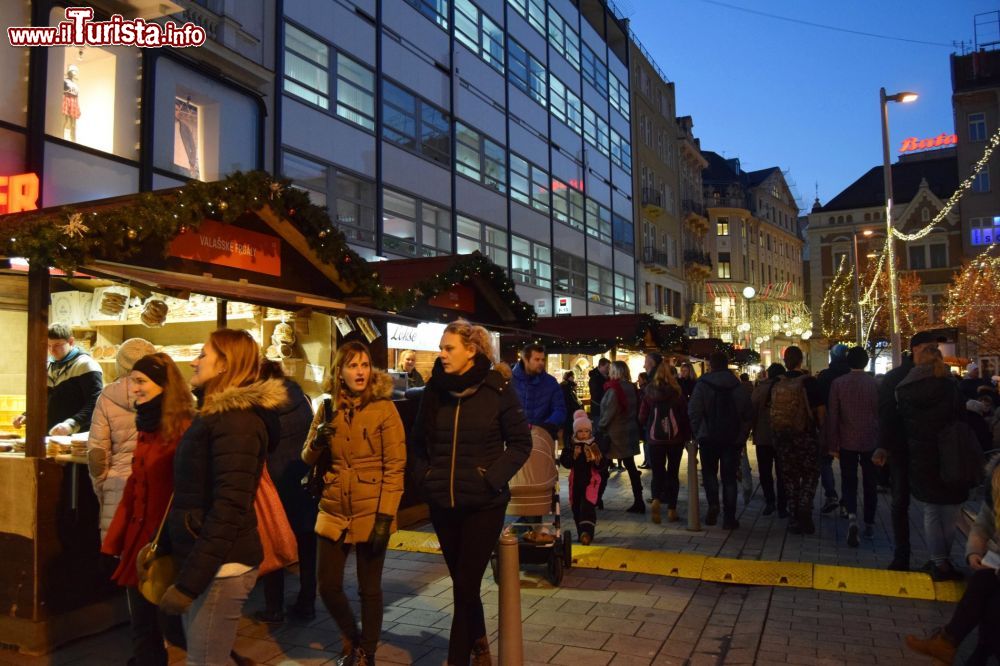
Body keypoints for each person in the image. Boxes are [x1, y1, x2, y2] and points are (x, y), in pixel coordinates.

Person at [157, 329, 288, 665]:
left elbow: (229, 508)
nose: (193, 361)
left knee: (205, 662)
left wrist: (190, 584)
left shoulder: (237, 422)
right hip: (209, 560)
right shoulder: (219, 416)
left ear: (224, 365)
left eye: (202, 354)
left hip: (221, 566)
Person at [410, 319, 531, 665]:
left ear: (471, 350)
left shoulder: (497, 389)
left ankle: (456, 659)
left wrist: (490, 478)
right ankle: (478, 641)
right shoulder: (435, 390)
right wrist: (426, 478)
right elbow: (418, 442)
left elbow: (521, 443)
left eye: (449, 348)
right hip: (442, 504)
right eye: (441, 348)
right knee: (465, 586)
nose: (442, 354)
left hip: (483, 505)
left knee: (464, 586)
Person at [302, 341, 406, 665]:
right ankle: (352, 635)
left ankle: (366, 652)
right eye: (352, 365)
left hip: (372, 509)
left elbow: (395, 468)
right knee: (327, 585)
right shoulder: (327, 406)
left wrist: (385, 518)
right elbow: (306, 456)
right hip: (333, 508)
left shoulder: (384, 408)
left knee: (369, 589)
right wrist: (318, 440)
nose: (360, 371)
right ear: (340, 371)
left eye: (364, 365)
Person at [101, 353, 193, 666]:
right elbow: (135, 485)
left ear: (165, 386)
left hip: (166, 545)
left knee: (175, 627)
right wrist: (117, 536)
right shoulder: (147, 423)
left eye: (141, 381)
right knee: (142, 625)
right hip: (141, 544)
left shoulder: (184, 429)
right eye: (132, 381)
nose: (134, 388)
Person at [905, 453, 1000, 664]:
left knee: (993, 602)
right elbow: (984, 522)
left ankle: (972, 650)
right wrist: (974, 552)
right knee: (982, 581)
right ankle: (949, 643)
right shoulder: (996, 477)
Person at [254, 360, 318, 625]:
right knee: (307, 545)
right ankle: (307, 603)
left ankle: (274, 607)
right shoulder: (300, 397)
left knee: (274, 543)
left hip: (275, 483)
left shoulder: (260, 406)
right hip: (302, 479)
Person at [897, 346, 968, 581]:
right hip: (951, 450)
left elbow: (902, 420)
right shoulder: (949, 386)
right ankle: (945, 560)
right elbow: (960, 416)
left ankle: (938, 560)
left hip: (920, 451)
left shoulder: (906, 387)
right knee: (951, 507)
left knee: (931, 508)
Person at [875, 330, 940, 572]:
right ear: (914, 350)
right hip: (905, 448)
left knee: (933, 505)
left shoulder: (942, 376)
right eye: (928, 348)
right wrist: (883, 446)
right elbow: (887, 414)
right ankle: (904, 554)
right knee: (901, 501)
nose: (934, 353)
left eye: (936, 348)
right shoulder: (898, 378)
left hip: (933, 449)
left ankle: (937, 557)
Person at [87, 337, 156, 540]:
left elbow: (97, 455)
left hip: (118, 486)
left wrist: (103, 488)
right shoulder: (169, 395)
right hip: (155, 486)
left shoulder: (107, 397)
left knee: (118, 556)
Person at [689, 352, 752, 529]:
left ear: (711, 365)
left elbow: (694, 411)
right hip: (732, 439)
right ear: (726, 364)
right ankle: (729, 518)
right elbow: (747, 413)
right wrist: (742, 435)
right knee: (729, 478)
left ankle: (713, 505)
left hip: (708, 438)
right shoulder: (737, 385)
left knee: (709, 474)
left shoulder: (702, 384)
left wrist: (699, 432)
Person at [827, 347, 879, 547]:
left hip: (847, 440)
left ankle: (851, 517)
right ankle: (870, 523)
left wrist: (833, 444)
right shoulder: (874, 384)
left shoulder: (839, 384)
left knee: (849, 480)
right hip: (870, 440)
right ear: (866, 362)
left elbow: (834, 416)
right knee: (870, 482)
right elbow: (878, 414)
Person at [770, 345, 824, 535]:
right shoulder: (809, 382)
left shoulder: (776, 382)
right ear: (801, 360)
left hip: (783, 437)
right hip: (806, 435)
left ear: (785, 361)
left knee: (790, 477)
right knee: (810, 474)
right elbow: (820, 411)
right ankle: (804, 509)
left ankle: (794, 517)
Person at [14, 323, 103, 435]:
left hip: (77, 435)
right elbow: (43, 400)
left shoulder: (86, 365)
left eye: (57, 345)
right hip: (50, 435)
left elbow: (96, 402)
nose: (52, 350)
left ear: (71, 342)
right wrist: (27, 415)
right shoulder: (47, 366)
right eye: (48, 345)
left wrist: (72, 424)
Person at [639, 361, 691, 524]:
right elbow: (684, 417)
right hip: (675, 440)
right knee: (673, 474)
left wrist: (647, 429)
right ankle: (671, 510)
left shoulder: (649, 393)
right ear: (673, 375)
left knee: (657, 473)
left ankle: (655, 499)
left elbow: (642, 417)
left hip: (655, 440)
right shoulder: (677, 394)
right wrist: (687, 436)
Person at [598, 360, 645, 513]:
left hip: (615, 434)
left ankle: (596, 499)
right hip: (630, 431)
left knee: (603, 467)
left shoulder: (614, 389)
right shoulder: (632, 387)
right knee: (631, 466)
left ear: (616, 372)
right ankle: (639, 500)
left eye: (612, 370)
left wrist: (601, 426)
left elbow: (609, 412)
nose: (609, 372)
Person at [816, 343, 850, 516]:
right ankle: (846, 501)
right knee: (847, 465)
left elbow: (819, 403)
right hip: (850, 426)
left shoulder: (825, 376)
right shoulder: (852, 376)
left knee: (825, 461)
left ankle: (831, 495)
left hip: (829, 424)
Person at [559, 410, 602, 544]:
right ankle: (581, 533)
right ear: (575, 432)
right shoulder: (571, 446)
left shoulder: (593, 445)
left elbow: (601, 465)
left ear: (590, 432)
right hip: (575, 482)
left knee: (587, 506)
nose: (583, 434)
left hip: (590, 482)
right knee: (576, 507)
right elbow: (565, 462)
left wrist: (596, 460)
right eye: (580, 431)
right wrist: (574, 456)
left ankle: (587, 533)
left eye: (586, 431)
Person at [750, 363, 787, 517]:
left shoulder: (760, 389)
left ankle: (770, 501)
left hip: (763, 437)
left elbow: (751, 411)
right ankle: (783, 505)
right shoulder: (787, 389)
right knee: (782, 472)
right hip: (783, 436)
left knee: (765, 471)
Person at [510, 343, 566, 441]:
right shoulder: (510, 381)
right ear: (526, 360)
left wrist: (545, 426)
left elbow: (560, 409)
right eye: (536, 359)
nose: (541, 363)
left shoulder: (551, 383)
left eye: (543, 359)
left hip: (543, 438)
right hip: (515, 438)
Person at [559, 371, 584, 438]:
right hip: (569, 410)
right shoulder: (567, 386)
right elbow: (571, 399)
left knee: (568, 429)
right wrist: (578, 407)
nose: (573, 378)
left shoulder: (566, 385)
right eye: (573, 377)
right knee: (569, 429)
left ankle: (568, 444)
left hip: (568, 410)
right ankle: (568, 445)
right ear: (569, 377)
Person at [588, 357, 611, 425]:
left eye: (609, 367)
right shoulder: (594, 379)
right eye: (607, 367)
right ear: (600, 366)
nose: (608, 369)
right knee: (598, 429)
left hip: (605, 409)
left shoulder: (606, 377)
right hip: (598, 409)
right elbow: (596, 395)